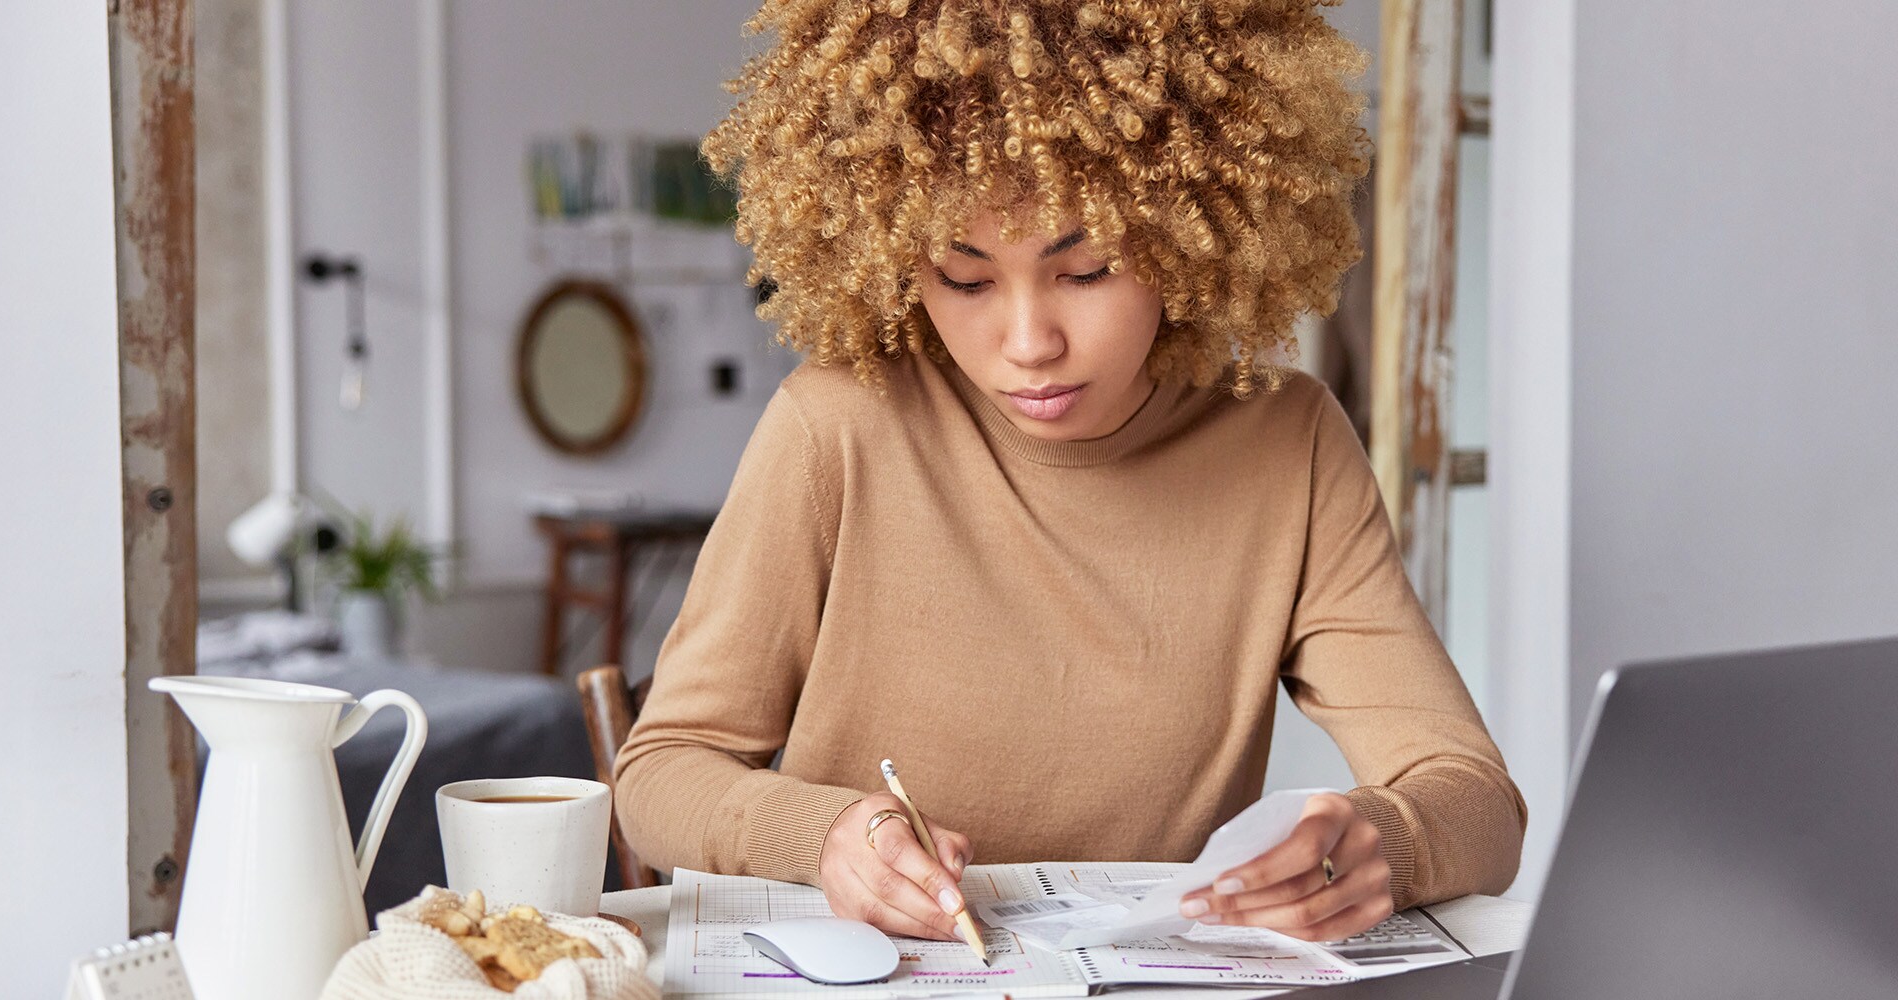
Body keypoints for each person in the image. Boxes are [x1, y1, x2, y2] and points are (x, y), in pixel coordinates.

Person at [610, 0, 1526, 945]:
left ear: (1187, 227)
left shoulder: (1286, 445)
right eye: (964, 279)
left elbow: (1479, 805)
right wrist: (826, 835)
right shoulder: (836, 426)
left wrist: (1382, 840)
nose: (1028, 343)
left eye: (1085, 270)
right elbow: (662, 773)